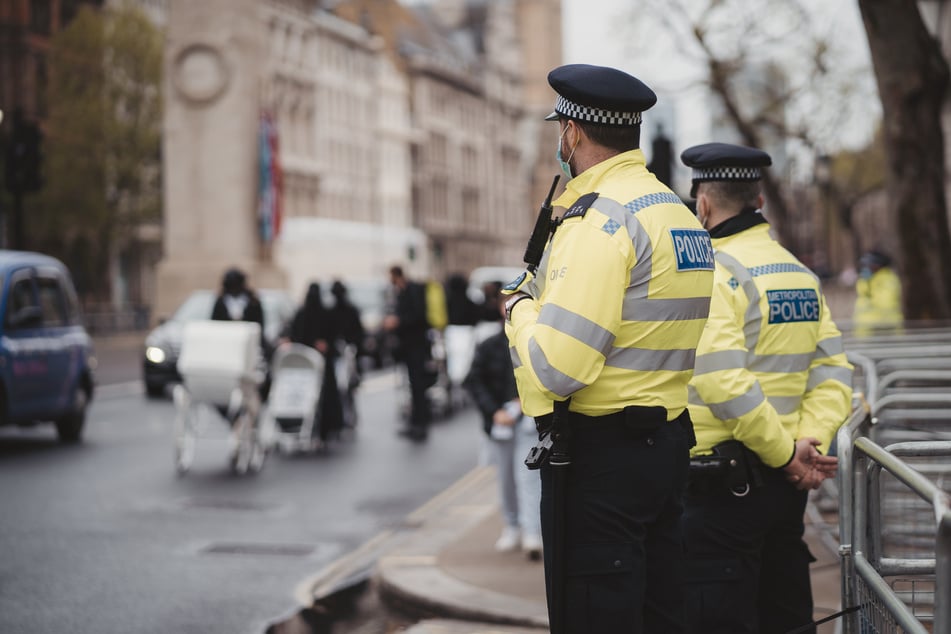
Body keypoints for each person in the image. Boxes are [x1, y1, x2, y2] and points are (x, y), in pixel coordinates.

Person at [503, 63, 715, 633]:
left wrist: (519, 311)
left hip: (602, 462)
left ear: (572, 133)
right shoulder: (676, 212)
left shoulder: (601, 220)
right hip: (664, 447)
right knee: (659, 614)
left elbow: (556, 366)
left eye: (560, 130)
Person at [679, 142, 853, 634]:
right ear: (760, 202)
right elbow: (834, 373)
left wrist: (784, 453)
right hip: (786, 486)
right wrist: (808, 445)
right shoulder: (798, 274)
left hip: (723, 487)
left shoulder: (713, 271)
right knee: (786, 614)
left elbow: (721, 378)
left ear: (704, 204)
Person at [463, 302, 542, 561]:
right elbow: (473, 380)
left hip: (530, 419)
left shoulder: (538, 338)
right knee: (506, 478)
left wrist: (524, 399)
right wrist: (494, 411)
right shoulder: (489, 345)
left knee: (529, 478)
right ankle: (512, 525)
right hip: (501, 423)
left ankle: (532, 531)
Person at [383, 265, 433, 441]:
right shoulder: (402, 291)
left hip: (416, 346)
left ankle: (420, 423)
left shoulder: (412, 290)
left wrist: (398, 322)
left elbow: (418, 316)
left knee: (418, 385)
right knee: (412, 385)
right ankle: (415, 421)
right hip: (408, 345)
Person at [289, 282, 344, 443]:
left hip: (309, 364)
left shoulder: (303, 313)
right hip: (317, 363)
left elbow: (296, 336)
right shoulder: (323, 312)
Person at [853, 249, 903, 336]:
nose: (866, 267)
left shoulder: (886, 280)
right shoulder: (866, 280)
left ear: (878, 265)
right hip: (866, 329)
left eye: (869, 264)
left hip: (883, 328)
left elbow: (886, 303)